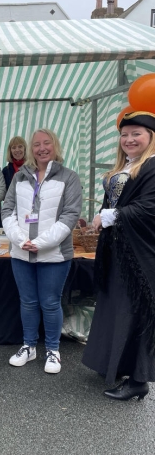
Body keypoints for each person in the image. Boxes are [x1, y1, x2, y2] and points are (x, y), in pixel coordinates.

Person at [82, 111, 155, 400]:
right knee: (115, 307)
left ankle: (138, 380)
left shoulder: (152, 165)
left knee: (135, 310)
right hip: (117, 249)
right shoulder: (127, 165)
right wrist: (97, 218)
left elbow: (150, 208)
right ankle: (114, 364)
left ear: (150, 136)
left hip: (139, 253)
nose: (128, 139)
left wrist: (111, 215)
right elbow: (113, 202)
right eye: (124, 134)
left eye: (136, 133)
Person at [2, 128, 82, 374]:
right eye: (36, 144)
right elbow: (8, 210)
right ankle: (28, 346)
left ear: (55, 146)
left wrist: (42, 242)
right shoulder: (20, 177)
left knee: (49, 302)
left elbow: (71, 214)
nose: (41, 148)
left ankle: (53, 350)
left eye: (47, 143)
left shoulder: (69, 177)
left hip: (54, 254)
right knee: (27, 302)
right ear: (31, 149)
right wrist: (18, 239)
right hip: (21, 253)